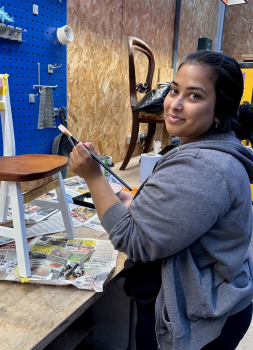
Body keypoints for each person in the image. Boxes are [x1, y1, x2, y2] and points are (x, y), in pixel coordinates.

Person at [69, 50, 253, 350]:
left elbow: (134, 240)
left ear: (219, 110)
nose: (175, 104)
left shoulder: (202, 166)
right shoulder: (213, 149)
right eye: (174, 90)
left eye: (194, 96)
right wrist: (135, 204)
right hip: (218, 296)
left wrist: (93, 177)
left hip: (202, 321)